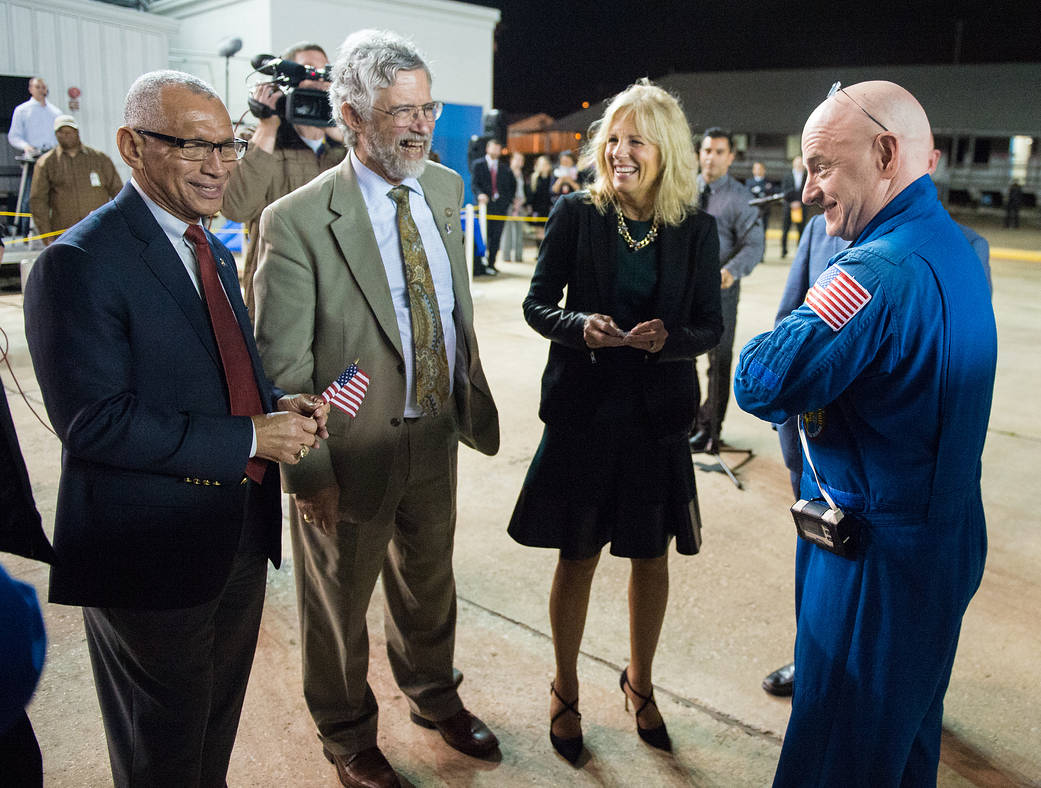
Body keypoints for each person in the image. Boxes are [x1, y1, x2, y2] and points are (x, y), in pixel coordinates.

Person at [23, 70, 329, 787]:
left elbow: (222, 374)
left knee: (209, 735)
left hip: (235, 537)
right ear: (131, 145)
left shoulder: (211, 249)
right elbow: (94, 422)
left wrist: (278, 404)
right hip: (147, 557)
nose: (219, 166)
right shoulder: (78, 264)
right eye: (195, 147)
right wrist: (251, 439)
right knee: (160, 752)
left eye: (226, 147)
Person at [253, 30, 501, 788]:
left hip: (435, 430)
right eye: (403, 112)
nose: (422, 125)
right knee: (337, 603)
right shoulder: (297, 220)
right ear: (353, 116)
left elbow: (449, 310)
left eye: (428, 107)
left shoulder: (445, 187)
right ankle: (345, 733)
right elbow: (283, 368)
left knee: (429, 581)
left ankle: (433, 695)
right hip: (348, 444)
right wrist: (311, 474)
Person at [734, 80, 997, 786]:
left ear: (885, 152)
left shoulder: (876, 269)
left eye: (821, 164)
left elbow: (760, 380)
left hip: (874, 558)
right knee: (900, 744)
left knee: (834, 759)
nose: (807, 190)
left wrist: (791, 327)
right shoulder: (953, 245)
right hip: (937, 539)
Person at [507, 78, 723, 765]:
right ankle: (564, 688)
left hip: (654, 416)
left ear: (666, 151)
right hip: (585, 411)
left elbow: (709, 328)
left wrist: (672, 341)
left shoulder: (696, 227)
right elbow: (538, 304)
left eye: (635, 141)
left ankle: (640, 682)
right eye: (612, 140)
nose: (619, 152)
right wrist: (580, 327)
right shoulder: (579, 214)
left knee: (650, 555)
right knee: (577, 554)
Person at [223, 41, 347, 321]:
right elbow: (237, 207)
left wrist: (348, 136)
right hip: (276, 294)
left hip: (336, 293)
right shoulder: (262, 140)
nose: (316, 82)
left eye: (323, 74)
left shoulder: (346, 149)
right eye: (305, 72)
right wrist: (268, 126)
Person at [688, 128, 764, 452]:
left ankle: (710, 430)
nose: (711, 157)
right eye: (707, 150)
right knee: (680, 357)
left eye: (719, 152)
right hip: (684, 288)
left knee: (718, 361)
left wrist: (730, 272)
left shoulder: (741, 197)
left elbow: (754, 245)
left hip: (721, 289)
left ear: (730, 157)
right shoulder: (684, 189)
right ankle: (688, 424)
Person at [29, 114, 122, 246]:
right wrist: (46, 235)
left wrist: (120, 227)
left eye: (69, 131)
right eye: (61, 132)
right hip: (64, 235)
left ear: (77, 132)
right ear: (56, 134)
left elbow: (119, 193)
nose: (66, 135)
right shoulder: (46, 163)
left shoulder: (100, 159)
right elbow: (38, 201)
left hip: (100, 231)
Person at [8, 77, 63, 236]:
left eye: (43, 87)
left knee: (56, 193)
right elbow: (14, 136)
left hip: (52, 158)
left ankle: (54, 230)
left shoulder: (55, 112)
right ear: (31, 89)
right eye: (37, 87)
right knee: (31, 196)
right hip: (34, 158)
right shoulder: (22, 110)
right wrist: (26, 146)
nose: (41, 90)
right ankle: (26, 231)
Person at [470, 138, 516, 275]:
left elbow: (511, 187)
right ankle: (479, 265)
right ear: (487, 149)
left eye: (498, 148)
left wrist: (506, 202)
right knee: (482, 235)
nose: (496, 150)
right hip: (484, 207)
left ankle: (491, 264)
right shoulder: (478, 165)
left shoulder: (505, 168)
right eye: (493, 147)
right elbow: (474, 184)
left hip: (500, 208)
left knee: (496, 237)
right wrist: (480, 195)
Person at [501, 150, 528, 262]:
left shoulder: (523, 174)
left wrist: (522, 202)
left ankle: (518, 256)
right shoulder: (506, 172)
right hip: (509, 205)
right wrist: (514, 202)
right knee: (507, 232)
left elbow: (526, 190)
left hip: (521, 204)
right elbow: (505, 189)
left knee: (519, 232)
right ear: (512, 160)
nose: (519, 162)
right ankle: (506, 256)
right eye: (517, 159)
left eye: (521, 160)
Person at [780, 155, 806, 256]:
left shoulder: (807, 176)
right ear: (793, 164)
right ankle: (783, 250)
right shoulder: (787, 176)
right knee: (785, 229)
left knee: (801, 230)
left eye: (801, 163)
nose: (799, 165)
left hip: (801, 207)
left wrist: (799, 202)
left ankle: (800, 251)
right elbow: (784, 191)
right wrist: (792, 202)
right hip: (789, 207)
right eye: (797, 163)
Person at [527, 153, 554, 242]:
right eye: (541, 164)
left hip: (549, 209)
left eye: (545, 164)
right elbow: (531, 195)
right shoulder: (534, 178)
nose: (544, 167)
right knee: (538, 232)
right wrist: (531, 208)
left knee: (548, 231)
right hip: (537, 209)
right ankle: (539, 252)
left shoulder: (553, 178)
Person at [746, 160, 776, 235]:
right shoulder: (749, 182)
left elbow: (770, 193)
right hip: (752, 212)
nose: (758, 170)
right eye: (756, 168)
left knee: (763, 232)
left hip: (765, 211)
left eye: (760, 168)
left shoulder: (768, 182)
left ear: (764, 170)